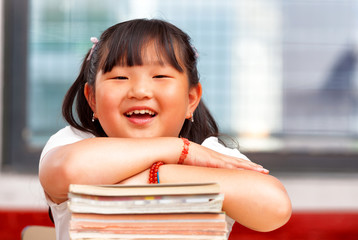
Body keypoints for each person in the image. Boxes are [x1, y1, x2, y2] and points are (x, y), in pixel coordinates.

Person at [39, 18, 291, 240]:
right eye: (120, 78)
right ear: (92, 98)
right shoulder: (73, 142)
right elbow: (67, 170)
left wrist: (158, 176)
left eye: (159, 77)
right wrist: (178, 150)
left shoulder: (208, 151)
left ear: (191, 99)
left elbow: (275, 206)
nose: (139, 91)